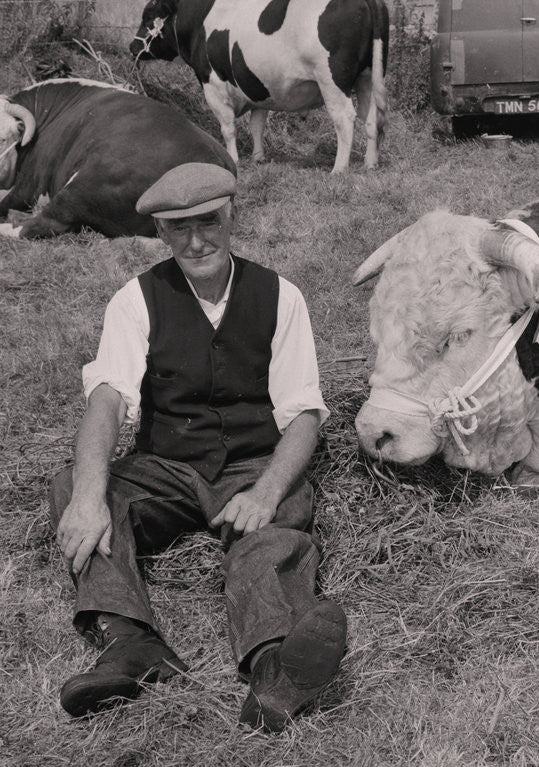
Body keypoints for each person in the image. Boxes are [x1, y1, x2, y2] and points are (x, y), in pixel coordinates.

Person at [48, 162, 346, 732]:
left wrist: (266, 490)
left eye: (207, 222)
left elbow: (304, 413)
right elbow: (107, 400)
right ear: (160, 233)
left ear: (231, 216)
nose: (196, 240)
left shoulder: (281, 296)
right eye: (178, 228)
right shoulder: (135, 301)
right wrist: (89, 493)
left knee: (274, 530)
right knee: (75, 489)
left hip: (253, 463)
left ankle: (274, 669)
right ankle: (132, 643)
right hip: (166, 466)